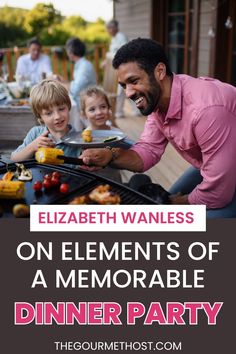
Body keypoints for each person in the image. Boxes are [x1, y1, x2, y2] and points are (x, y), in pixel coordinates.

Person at [80, 38, 236, 218]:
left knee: (171, 220)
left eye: (134, 81)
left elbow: (217, 194)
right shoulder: (158, 102)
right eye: (124, 86)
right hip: (214, 164)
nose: (129, 93)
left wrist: (172, 205)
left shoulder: (206, 110)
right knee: (163, 203)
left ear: (160, 71)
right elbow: (147, 151)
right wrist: (110, 155)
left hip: (223, 178)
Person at [11, 79, 81, 162]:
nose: (57, 116)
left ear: (68, 107)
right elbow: (14, 159)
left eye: (61, 109)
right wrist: (32, 147)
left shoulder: (79, 139)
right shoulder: (35, 134)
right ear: (40, 117)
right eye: (49, 113)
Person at [80, 86, 122, 182]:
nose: (99, 112)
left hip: (113, 178)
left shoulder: (117, 133)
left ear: (109, 109)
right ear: (83, 114)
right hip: (91, 180)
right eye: (92, 109)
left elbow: (125, 152)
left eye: (103, 107)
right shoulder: (81, 137)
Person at [104, 20, 138, 118]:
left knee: (122, 90)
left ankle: (119, 112)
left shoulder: (121, 37)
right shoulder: (114, 38)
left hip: (125, 67)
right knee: (124, 89)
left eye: (109, 28)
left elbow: (122, 53)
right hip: (119, 68)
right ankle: (125, 111)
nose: (108, 31)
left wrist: (108, 57)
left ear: (114, 28)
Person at [57, 37, 97, 110]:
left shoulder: (84, 66)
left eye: (67, 50)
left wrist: (57, 84)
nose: (67, 53)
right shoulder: (80, 64)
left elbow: (75, 90)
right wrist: (63, 81)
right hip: (83, 99)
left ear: (71, 52)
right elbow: (76, 85)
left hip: (88, 103)